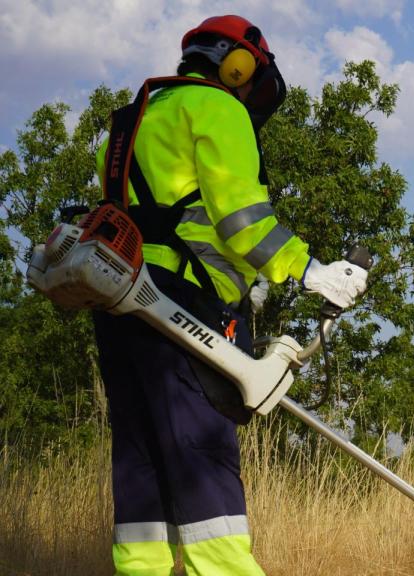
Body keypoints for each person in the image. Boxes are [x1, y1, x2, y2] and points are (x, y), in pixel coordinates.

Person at [92, 15, 367, 575]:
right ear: (236, 65)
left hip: (120, 301)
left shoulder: (130, 121)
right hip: (182, 304)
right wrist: (312, 271)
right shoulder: (219, 109)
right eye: (253, 81)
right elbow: (243, 223)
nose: (252, 94)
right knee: (201, 457)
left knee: (141, 462)